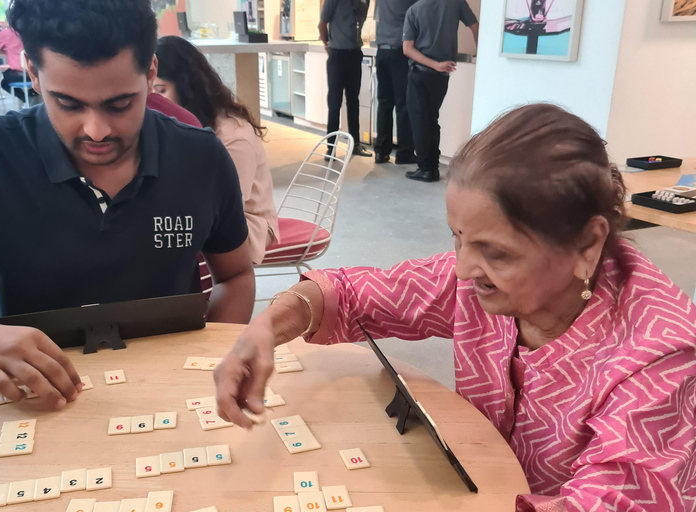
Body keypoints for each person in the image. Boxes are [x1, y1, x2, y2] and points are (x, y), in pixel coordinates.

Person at [214, 104, 696, 510]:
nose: (463, 270)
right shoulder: (484, 282)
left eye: (497, 252)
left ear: (588, 244)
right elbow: (353, 292)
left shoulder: (661, 359)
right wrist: (266, 328)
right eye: (459, 239)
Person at [0, 0, 255, 411]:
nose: (96, 131)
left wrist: (210, 364)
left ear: (151, 73)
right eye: (67, 103)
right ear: (31, 71)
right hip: (36, 402)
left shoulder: (200, 157)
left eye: (120, 105)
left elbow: (236, 274)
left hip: (173, 397)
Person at [153, 36, 279, 264]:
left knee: (165, 246)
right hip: (198, 211)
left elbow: (226, 209)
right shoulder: (171, 124)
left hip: (246, 223)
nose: (150, 101)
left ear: (186, 86)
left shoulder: (233, 135)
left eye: (160, 90)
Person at [402, 0, 477, 182]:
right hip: (443, 75)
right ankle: (433, 167)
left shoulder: (414, 10)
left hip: (421, 72)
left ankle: (425, 168)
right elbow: (474, 26)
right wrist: (481, 51)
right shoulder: (456, 2)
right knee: (431, 119)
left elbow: (407, 49)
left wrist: (435, 64)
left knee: (420, 121)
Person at [318, 0, 372, 158]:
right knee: (334, 103)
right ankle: (331, 147)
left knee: (353, 100)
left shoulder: (364, 1)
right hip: (337, 54)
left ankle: (355, 144)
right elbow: (322, 25)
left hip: (355, 54)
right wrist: (328, 45)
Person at [373, 0, 418, 165]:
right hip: (400, 52)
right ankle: (404, 153)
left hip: (382, 50)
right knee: (403, 105)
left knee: (384, 103)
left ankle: (381, 152)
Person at [0, 26, 35, 104]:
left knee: (4, 82)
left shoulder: (6, 33)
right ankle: (33, 94)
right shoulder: (34, 30)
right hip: (38, 74)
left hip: (21, 74)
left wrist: (9, 52)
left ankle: (25, 99)